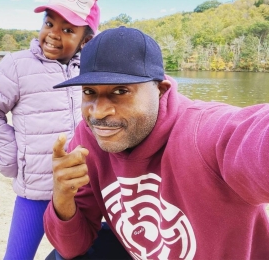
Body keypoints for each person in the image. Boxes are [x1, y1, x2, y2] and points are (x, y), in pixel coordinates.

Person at [44, 26, 269, 260]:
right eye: (89, 91)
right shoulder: (90, 137)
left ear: (160, 91)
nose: (99, 112)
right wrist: (62, 194)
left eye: (120, 91)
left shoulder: (203, 131)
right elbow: (71, 248)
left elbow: (254, 136)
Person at [0, 0, 100, 260]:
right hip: (37, 187)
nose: (53, 33)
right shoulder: (17, 65)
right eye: (49, 23)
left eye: (67, 30)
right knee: (18, 256)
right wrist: (11, 156)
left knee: (83, 252)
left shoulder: (91, 71)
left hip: (85, 187)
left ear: (85, 41)